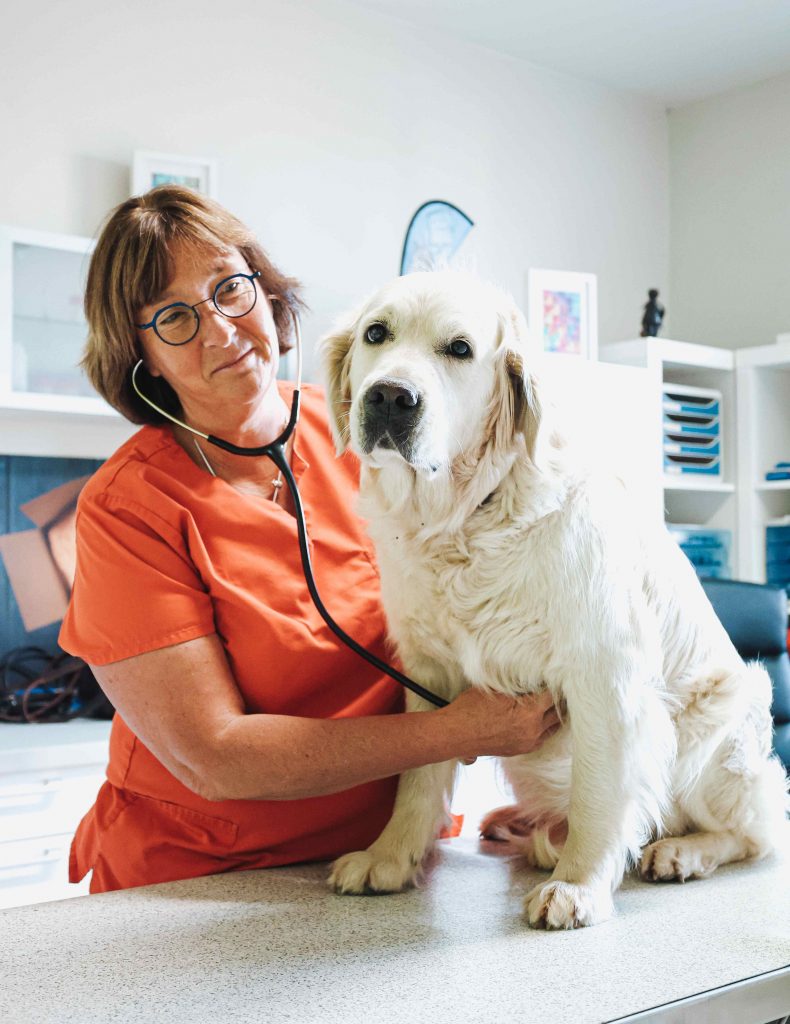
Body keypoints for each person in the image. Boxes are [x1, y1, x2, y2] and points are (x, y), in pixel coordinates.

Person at [59, 186, 560, 893]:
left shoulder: (376, 420)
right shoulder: (127, 510)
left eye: (230, 288)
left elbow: (479, 620)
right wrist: (466, 734)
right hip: (199, 882)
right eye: (173, 317)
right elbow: (216, 756)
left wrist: (550, 790)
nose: (221, 330)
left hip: (390, 862)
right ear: (142, 361)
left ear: (266, 292)